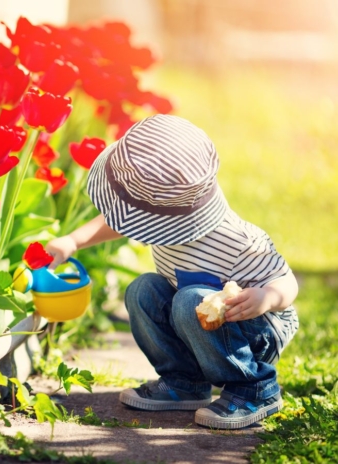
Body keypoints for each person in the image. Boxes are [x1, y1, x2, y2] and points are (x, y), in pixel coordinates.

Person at [46, 114, 299, 429]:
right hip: (196, 322)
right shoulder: (165, 215)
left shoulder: (236, 240)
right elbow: (119, 221)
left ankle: (256, 388)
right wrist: (72, 241)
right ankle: (185, 383)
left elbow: (286, 281)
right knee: (143, 290)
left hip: (256, 329)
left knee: (189, 300)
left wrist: (266, 297)